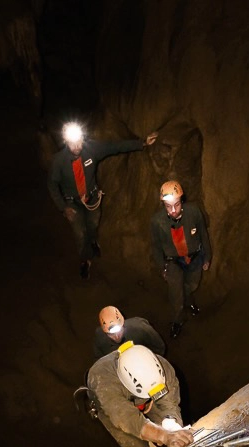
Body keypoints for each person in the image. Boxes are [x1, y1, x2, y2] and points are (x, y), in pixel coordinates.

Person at [48, 122, 158, 279]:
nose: (77, 146)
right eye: (72, 143)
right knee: (80, 233)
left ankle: (93, 242)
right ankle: (85, 260)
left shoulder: (91, 149)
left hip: (92, 198)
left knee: (93, 225)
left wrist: (142, 143)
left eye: (79, 141)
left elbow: (115, 147)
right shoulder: (59, 161)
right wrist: (63, 207)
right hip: (72, 202)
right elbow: (52, 185)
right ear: (66, 141)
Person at [86, 341, 194, 447]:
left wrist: (171, 425)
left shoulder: (162, 367)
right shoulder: (103, 381)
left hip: (148, 400)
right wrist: (163, 436)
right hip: (114, 409)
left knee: (175, 438)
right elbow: (129, 419)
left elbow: (169, 404)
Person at [149, 180, 212, 339]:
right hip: (173, 261)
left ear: (182, 201)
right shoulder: (157, 221)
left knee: (191, 285)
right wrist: (162, 266)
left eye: (176, 205)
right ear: (163, 204)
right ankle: (178, 319)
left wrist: (207, 257)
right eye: (168, 206)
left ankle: (188, 301)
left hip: (194, 257)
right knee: (176, 294)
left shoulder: (194, 212)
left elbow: (203, 234)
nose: (173, 210)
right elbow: (156, 246)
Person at [94, 305, 166, 358]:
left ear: (122, 324)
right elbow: (100, 359)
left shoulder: (140, 328)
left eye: (119, 331)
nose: (116, 336)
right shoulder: (100, 337)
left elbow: (159, 347)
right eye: (111, 334)